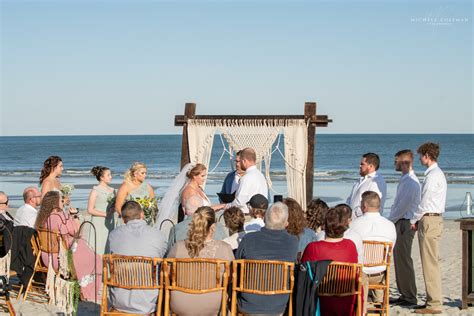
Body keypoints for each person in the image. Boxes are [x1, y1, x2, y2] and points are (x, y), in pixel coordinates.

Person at [35, 191, 102, 302]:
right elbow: (77, 233)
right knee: (96, 259)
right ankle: (86, 291)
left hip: (46, 258)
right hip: (61, 260)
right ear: (55, 203)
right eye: (61, 201)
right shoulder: (59, 217)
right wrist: (75, 217)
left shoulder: (42, 218)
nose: (63, 202)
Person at [167, 206, 234, 315]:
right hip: (212, 304)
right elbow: (231, 279)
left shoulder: (178, 246)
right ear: (213, 227)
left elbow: (167, 274)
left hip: (181, 303)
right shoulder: (225, 248)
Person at [235, 202, 298, 315]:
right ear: (286, 223)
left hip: (248, 303)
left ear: (264, 219)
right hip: (278, 305)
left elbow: (236, 267)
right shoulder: (292, 242)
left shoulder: (248, 239)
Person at [107, 201, 167, 314]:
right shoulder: (158, 235)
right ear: (142, 214)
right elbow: (164, 259)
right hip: (148, 301)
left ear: (123, 219)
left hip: (119, 300)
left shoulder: (114, 235)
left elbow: (110, 260)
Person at [301, 206, 360, 316]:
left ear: (325, 226)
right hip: (345, 300)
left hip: (319, 301)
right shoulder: (350, 246)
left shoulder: (313, 247)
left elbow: (303, 272)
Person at [410, 143, 447, 315]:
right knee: (430, 261)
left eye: (420, 156)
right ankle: (431, 300)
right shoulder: (435, 174)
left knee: (429, 262)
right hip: (432, 219)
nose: (419, 159)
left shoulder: (433, 175)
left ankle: (434, 302)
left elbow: (424, 202)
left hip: (430, 219)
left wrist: (414, 219)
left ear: (427, 155)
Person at [347, 191, 396, 306]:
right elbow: (391, 249)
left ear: (364, 206)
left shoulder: (354, 224)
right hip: (380, 273)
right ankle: (378, 299)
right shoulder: (390, 225)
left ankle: (362, 304)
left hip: (360, 273)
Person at [388, 150, 421, 306]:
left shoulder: (410, 181)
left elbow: (402, 207)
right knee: (399, 260)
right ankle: (404, 293)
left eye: (396, 161)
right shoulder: (405, 179)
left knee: (404, 260)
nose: (394, 164)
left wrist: (389, 221)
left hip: (404, 223)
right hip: (400, 221)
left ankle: (409, 296)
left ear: (404, 162)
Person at [228, 148, 268, 214]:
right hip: (261, 214)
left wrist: (226, 205)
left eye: (240, 161)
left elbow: (239, 202)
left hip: (248, 215)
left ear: (244, 161)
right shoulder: (261, 176)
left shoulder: (246, 178)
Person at [346, 153, 387, 218]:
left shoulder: (376, 182)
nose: (359, 166)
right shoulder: (360, 180)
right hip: (353, 220)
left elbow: (372, 206)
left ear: (370, 166)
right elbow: (350, 199)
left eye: (362, 164)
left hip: (366, 221)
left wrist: (353, 214)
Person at [86, 166, 115, 255]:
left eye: (110, 175)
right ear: (101, 178)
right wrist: (106, 214)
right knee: (99, 245)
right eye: (108, 175)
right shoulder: (95, 191)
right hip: (98, 222)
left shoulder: (113, 190)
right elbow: (90, 210)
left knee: (109, 244)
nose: (111, 177)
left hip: (110, 221)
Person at [0, 191, 14, 256]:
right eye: (7, 202)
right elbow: (3, 228)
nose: (8, 204)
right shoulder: (2, 216)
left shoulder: (5, 213)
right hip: (8, 245)